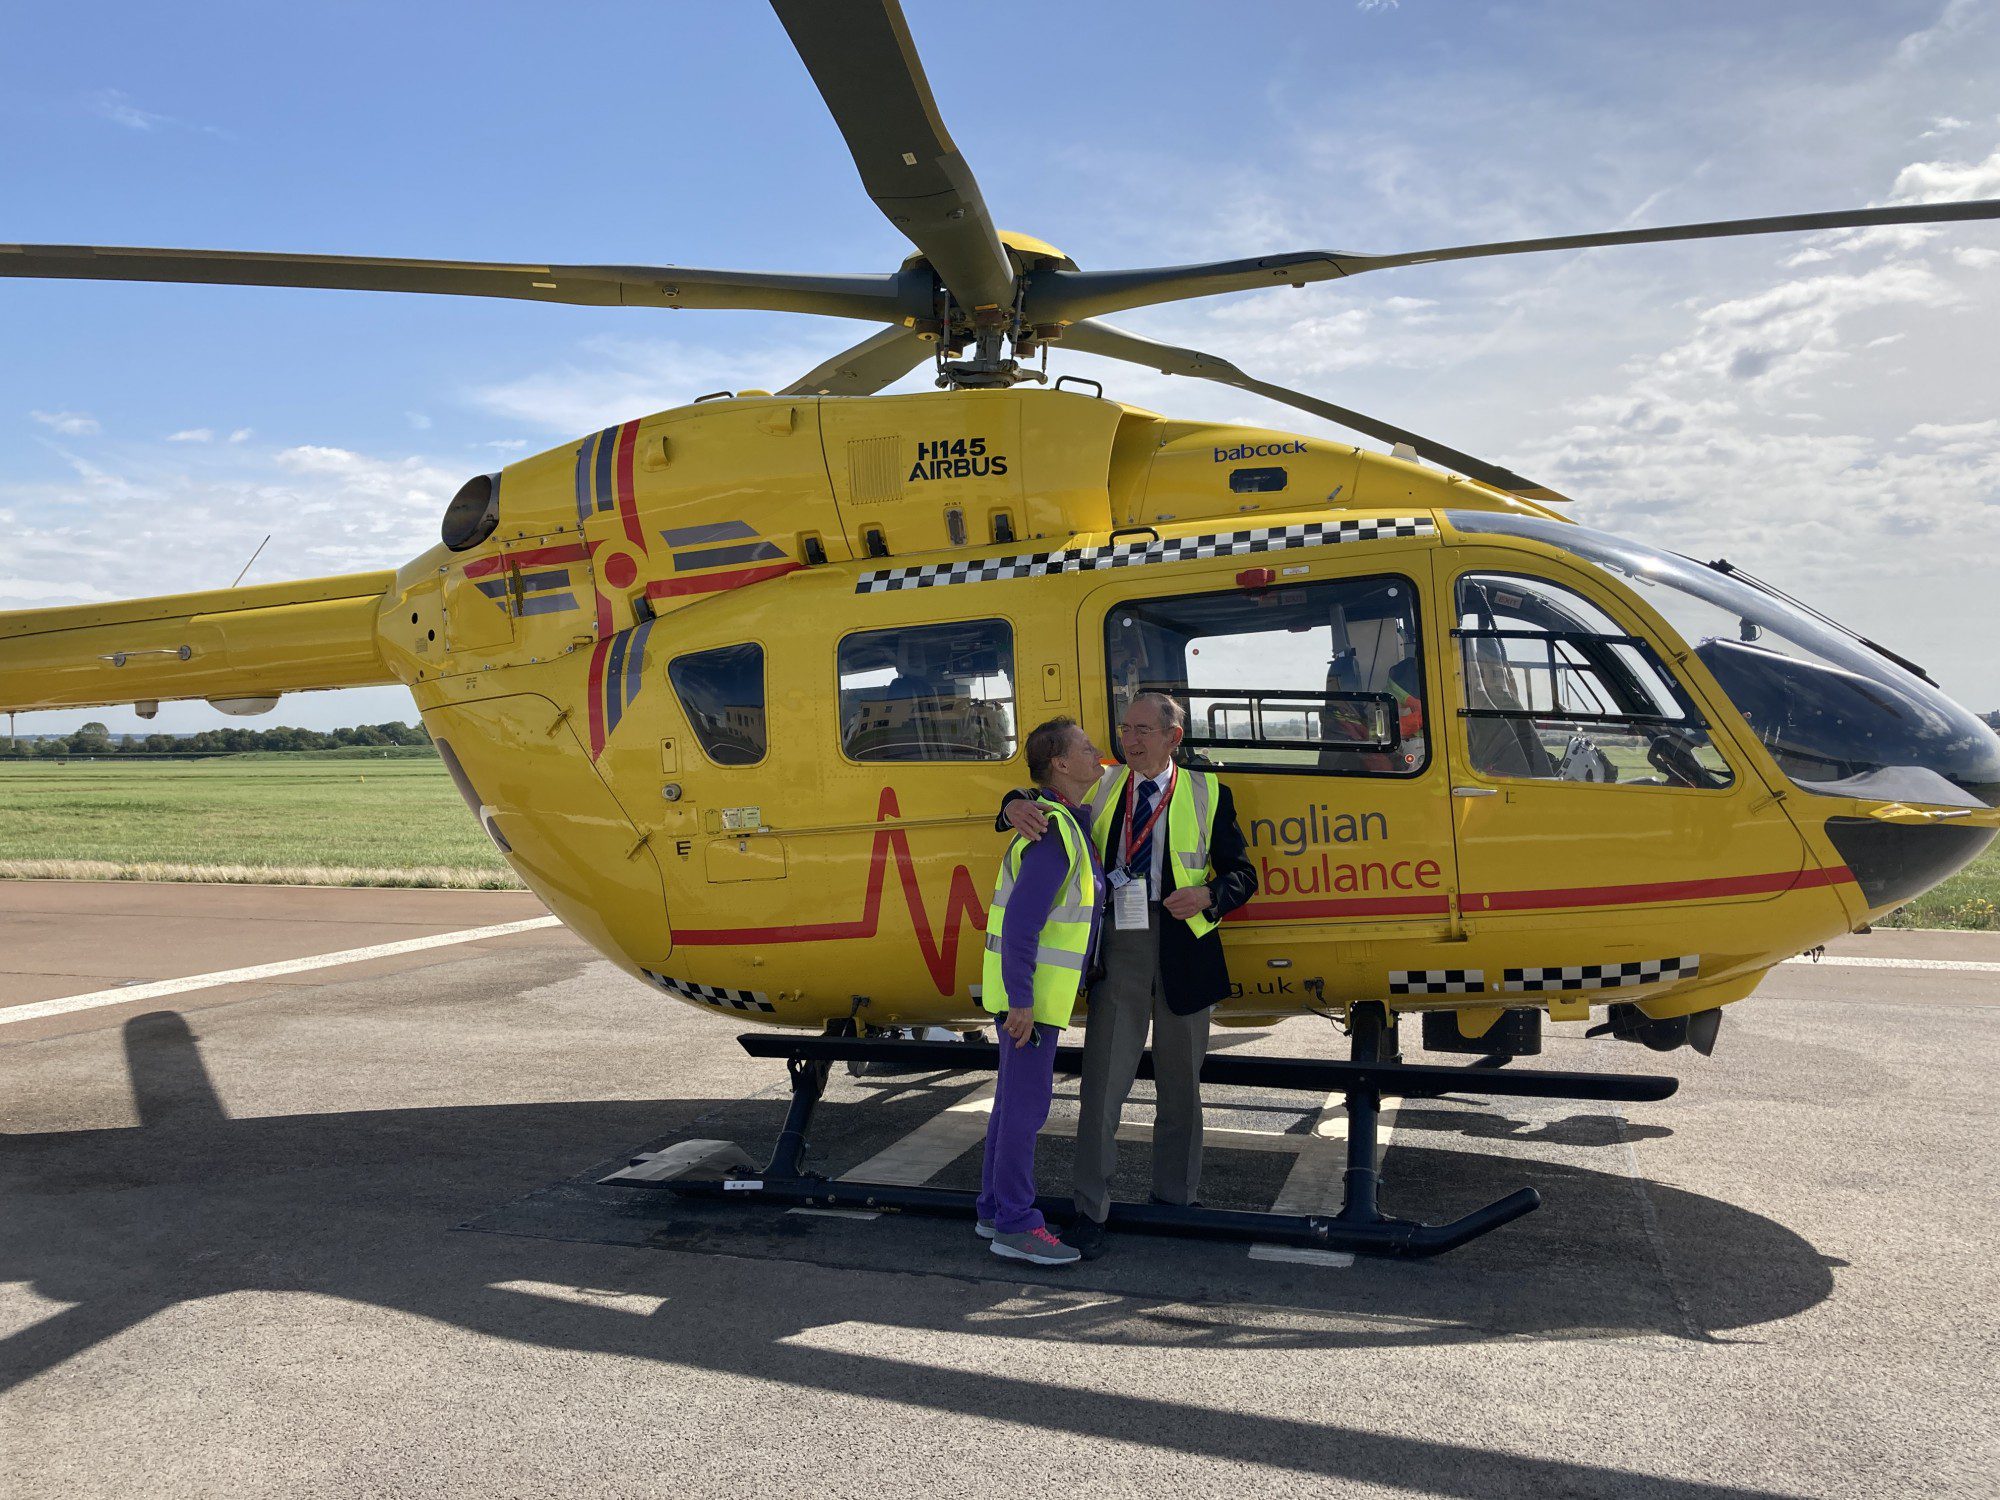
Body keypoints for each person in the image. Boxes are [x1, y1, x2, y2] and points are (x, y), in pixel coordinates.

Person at [998, 691, 1257, 1258]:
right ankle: (1091, 1210)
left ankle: (1175, 1200)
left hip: (1186, 955)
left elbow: (1244, 874)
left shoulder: (1209, 792)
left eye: (1143, 729)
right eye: (1125, 728)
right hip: (1120, 954)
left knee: (1181, 1091)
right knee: (1102, 1090)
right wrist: (1010, 803)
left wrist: (1211, 893)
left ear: (1173, 738)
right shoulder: (1105, 781)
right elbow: (1046, 794)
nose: (1130, 739)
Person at [975, 716, 1108, 1266]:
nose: (1096, 752)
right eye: (1084, 747)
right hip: (1031, 1002)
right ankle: (1015, 1223)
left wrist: (1014, 800)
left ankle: (993, 1209)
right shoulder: (1053, 831)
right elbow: (1023, 925)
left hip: (1031, 997)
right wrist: (1022, 1001)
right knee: (1026, 1112)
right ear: (1060, 762)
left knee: (1011, 1107)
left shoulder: (1062, 820)